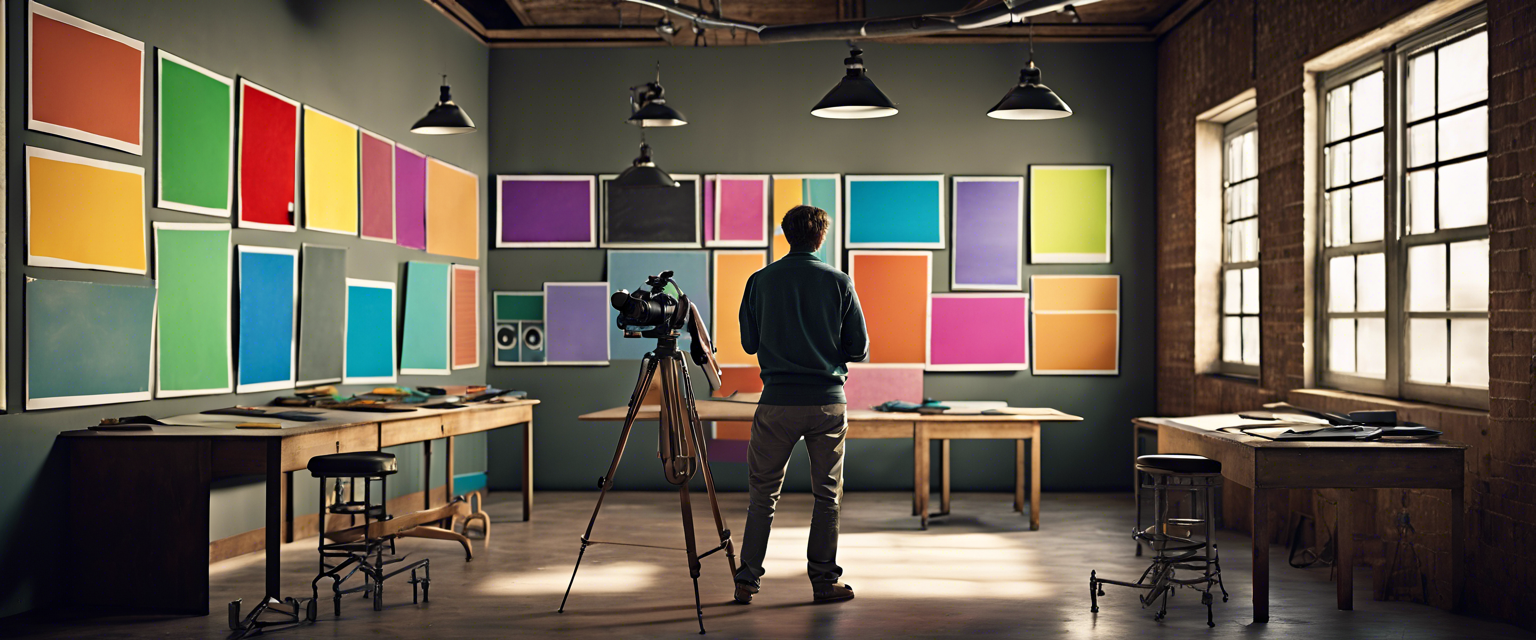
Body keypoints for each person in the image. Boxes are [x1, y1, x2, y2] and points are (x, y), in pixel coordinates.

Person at [733, 204, 868, 605]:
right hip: (827, 403)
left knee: (763, 495)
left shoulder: (759, 281)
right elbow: (858, 349)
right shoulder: (839, 281)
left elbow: (749, 344)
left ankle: (747, 580)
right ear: (821, 237)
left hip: (776, 403)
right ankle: (824, 581)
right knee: (827, 494)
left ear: (786, 235)